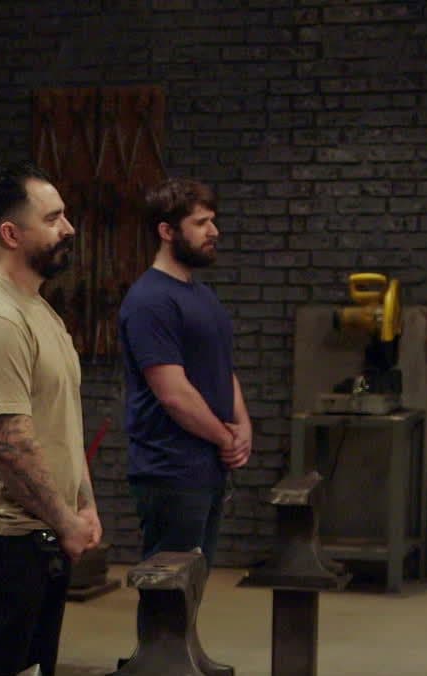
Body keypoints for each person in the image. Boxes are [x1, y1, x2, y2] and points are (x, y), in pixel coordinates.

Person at [0, 161, 99, 676]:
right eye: (52, 219)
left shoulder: (34, 308)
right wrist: (66, 522)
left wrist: (84, 504)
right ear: (11, 234)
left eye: (64, 215)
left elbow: (59, 422)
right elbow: (10, 445)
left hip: (38, 537)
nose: (68, 228)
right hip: (0, 549)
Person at [118, 177, 251, 567]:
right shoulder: (150, 301)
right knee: (168, 586)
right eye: (201, 223)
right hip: (170, 471)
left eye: (213, 220)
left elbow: (221, 367)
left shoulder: (202, 296)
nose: (214, 231)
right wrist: (225, 437)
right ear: (167, 231)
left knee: (193, 583)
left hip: (206, 466)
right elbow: (173, 393)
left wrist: (242, 424)